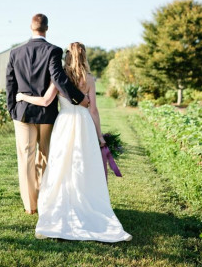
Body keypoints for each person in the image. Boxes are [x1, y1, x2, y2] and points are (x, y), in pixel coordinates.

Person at [16, 42, 132, 242]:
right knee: (82, 165)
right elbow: (93, 110)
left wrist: (22, 96)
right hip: (84, 125)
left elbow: (44, 101)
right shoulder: (89, 79)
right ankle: (84, 202)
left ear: (67, 57)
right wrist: (100, 136)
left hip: (64, 125)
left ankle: (61, 204)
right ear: (84, 57)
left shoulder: (60, 79)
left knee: (62, 165)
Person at [6, 15, 89, 215]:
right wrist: (79, 99)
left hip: (22, 112)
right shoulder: (53, 50)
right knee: (45, 155)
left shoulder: (15, 52)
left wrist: (12, 109)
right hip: (47, 113)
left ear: (31, 27)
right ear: (47, 28)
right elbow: (58, 77)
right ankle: (44, 200)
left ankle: (30, 206)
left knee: (26, 158)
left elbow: (10, 83)